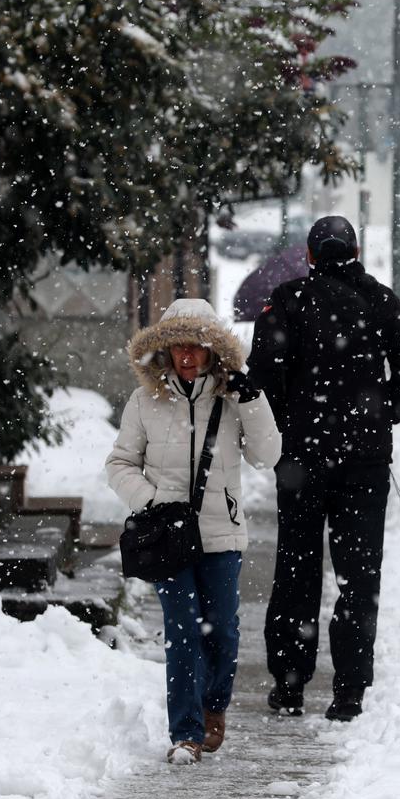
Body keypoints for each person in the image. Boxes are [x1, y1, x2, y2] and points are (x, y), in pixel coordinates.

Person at [248, 215, 400, 722]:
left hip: (301, 461)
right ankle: (348, 691)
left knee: (296, 571)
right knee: (358, 575)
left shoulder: (286, 301)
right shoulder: (380, 300)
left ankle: (289, 684)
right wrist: (386, 405)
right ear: (355, 251)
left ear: (309, 255)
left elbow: (262, 374)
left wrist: (288, 424)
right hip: (364, 461)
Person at [106, 298, 280, 764]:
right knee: (182, 631)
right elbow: (120, 463)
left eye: (197, 347)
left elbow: (267, 455)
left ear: (212, 352)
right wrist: (151, 500)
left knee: (222, 630)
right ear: (165, 350)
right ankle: (185, 732)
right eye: (178, 346)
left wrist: (253, 399)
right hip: (168, 538)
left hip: (221, 534)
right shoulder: (145, 401)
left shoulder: (232, 399)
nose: (187, 356)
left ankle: (213, 705)